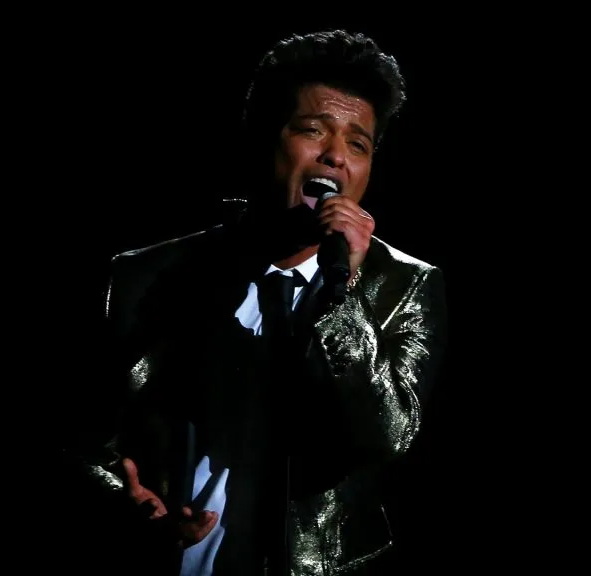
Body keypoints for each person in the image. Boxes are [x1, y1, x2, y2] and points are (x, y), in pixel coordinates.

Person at [65, 29, 448, 575]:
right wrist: (123, 501)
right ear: (263, 138)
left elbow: (386, 438)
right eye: (312, 130)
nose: (335, 156)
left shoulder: (402, 286)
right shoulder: (145, 275)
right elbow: (81, 435)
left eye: (358, 144)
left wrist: (340, 296)